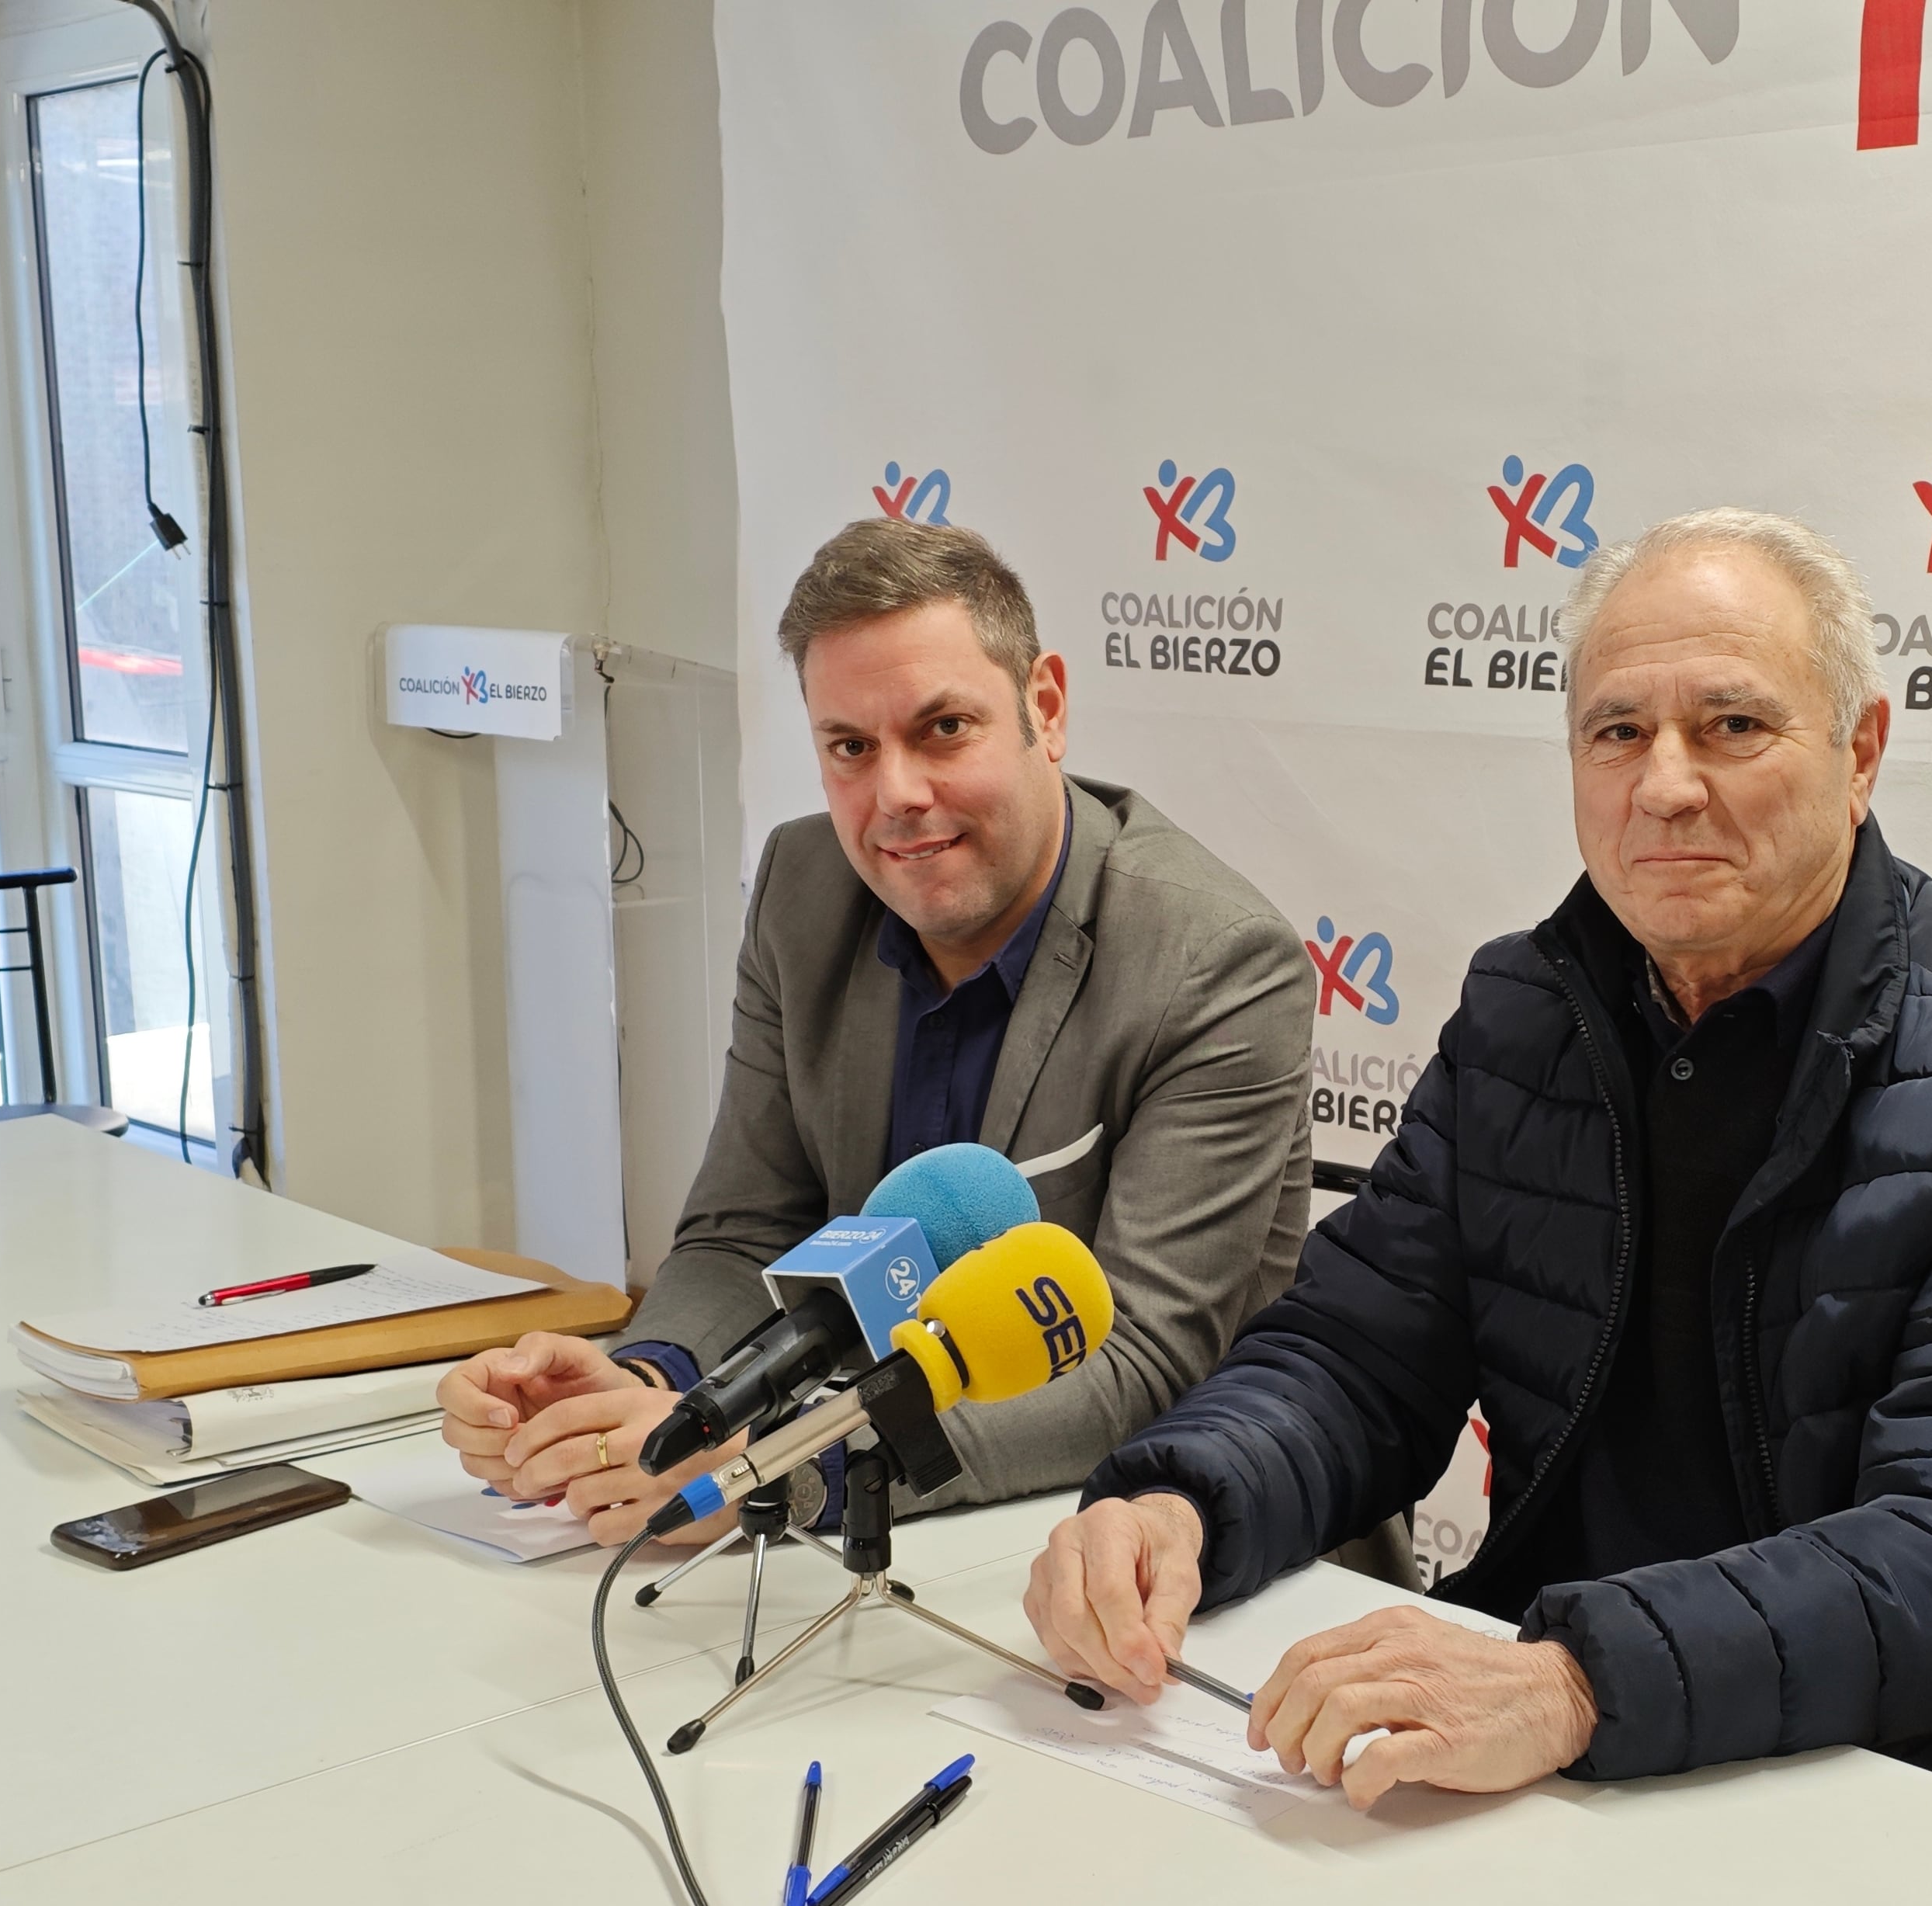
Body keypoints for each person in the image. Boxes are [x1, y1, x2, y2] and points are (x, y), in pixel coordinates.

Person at [1022, 508, 1932, 1862]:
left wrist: (1576, 1679)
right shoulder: (1523, 1013)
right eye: (1617, 733)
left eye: (1730, 726)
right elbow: (1358, 1353)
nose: (1663, 785)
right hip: (1584, 1777)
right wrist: (1182, 1497)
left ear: (1861, 752)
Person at [435, 519, 1316, 1545]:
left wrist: (790, 1469)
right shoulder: (801, 889)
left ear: (1046, 707)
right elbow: (742, 1229)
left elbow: (1138, 1366)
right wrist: (652, 1387)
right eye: (850, 747)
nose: (895, 795)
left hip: (1139, 1540)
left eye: (943, 728)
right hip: (867, 1524)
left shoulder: (1213, 959)